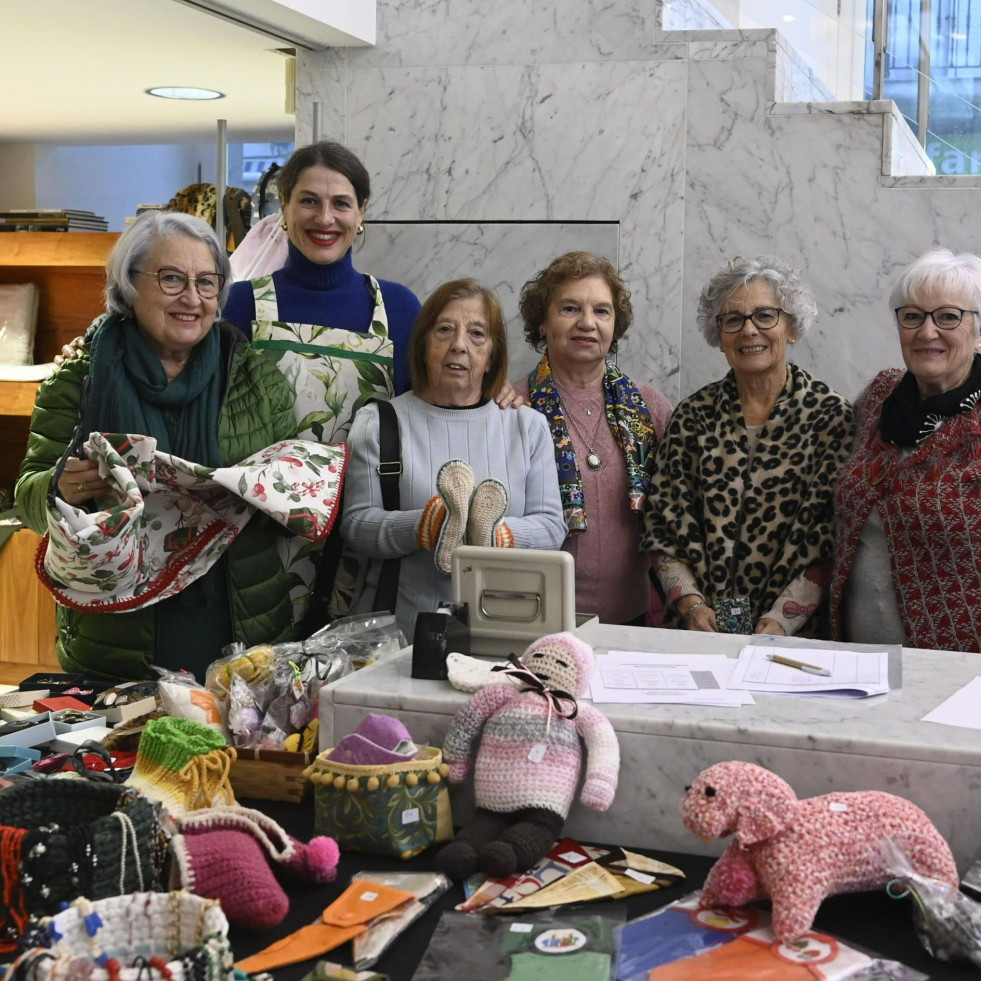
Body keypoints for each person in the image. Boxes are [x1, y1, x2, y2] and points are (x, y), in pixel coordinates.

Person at [16, 212, 299, 681]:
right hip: (117, 637)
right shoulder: (79, 379)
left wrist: (284, 493)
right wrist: (60, 487)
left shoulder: (253, 377)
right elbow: (28, 499)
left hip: (237, 627)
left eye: (207, 282)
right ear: (129, 284)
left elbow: (288, 492)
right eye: (171, 279)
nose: (192, 298)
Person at [341, 279, 567, 638]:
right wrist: (425, 525)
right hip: (400, 634)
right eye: (444, 329)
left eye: (477, 334)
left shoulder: (527, 426)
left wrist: (497, 535)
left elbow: (553, 526)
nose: (459, 345)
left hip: (504, 629)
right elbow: (356, 524)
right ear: (424, 343)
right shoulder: (380, 422)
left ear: (492, 354)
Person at [642, 256, 853, 636]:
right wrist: (692, 605)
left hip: (798, 636)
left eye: (765, 316)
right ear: (718, 335)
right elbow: (662, 529)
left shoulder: (831, 417)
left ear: (791, 327)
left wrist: (782, 620)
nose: (749, 330)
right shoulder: (693, 416)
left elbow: (832, 539)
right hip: (697, 634)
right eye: (733, 319)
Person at [831, 249, 981, 652]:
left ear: (978, 330)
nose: (927, 332)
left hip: (959, 674)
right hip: (857, 660)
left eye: (948, 316)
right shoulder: (879, 397)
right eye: (912, 316)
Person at [222, 140, 422, 442]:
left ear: (361, 213)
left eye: (341, 203)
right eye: (309, 201)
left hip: (372, 490)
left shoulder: (400, 309)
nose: (325, 218)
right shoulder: (241, 304)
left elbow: (432, 413)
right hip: (257, 490)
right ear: (285, 206)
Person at [512, 252, 673, 625]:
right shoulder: (513, 407)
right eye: (570, 308)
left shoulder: (649, 407)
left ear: (615, 326)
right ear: (542, 323)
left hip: (633, 622)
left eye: (602, 311)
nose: (587, 323)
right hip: (538, 619)